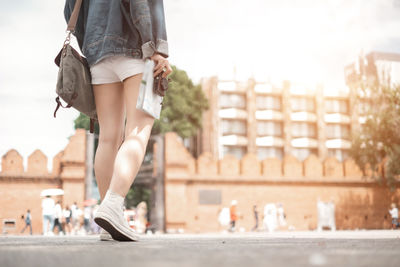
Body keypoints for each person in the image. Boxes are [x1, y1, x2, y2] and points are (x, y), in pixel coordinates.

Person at [64, 0, 171, 242]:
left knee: (109, 138)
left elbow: (70, 9)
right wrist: (155, 48)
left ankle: (109, 221)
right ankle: (113, 204)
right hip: (136, 48)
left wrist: (92, 42)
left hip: (97, 54)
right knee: (139, 129)